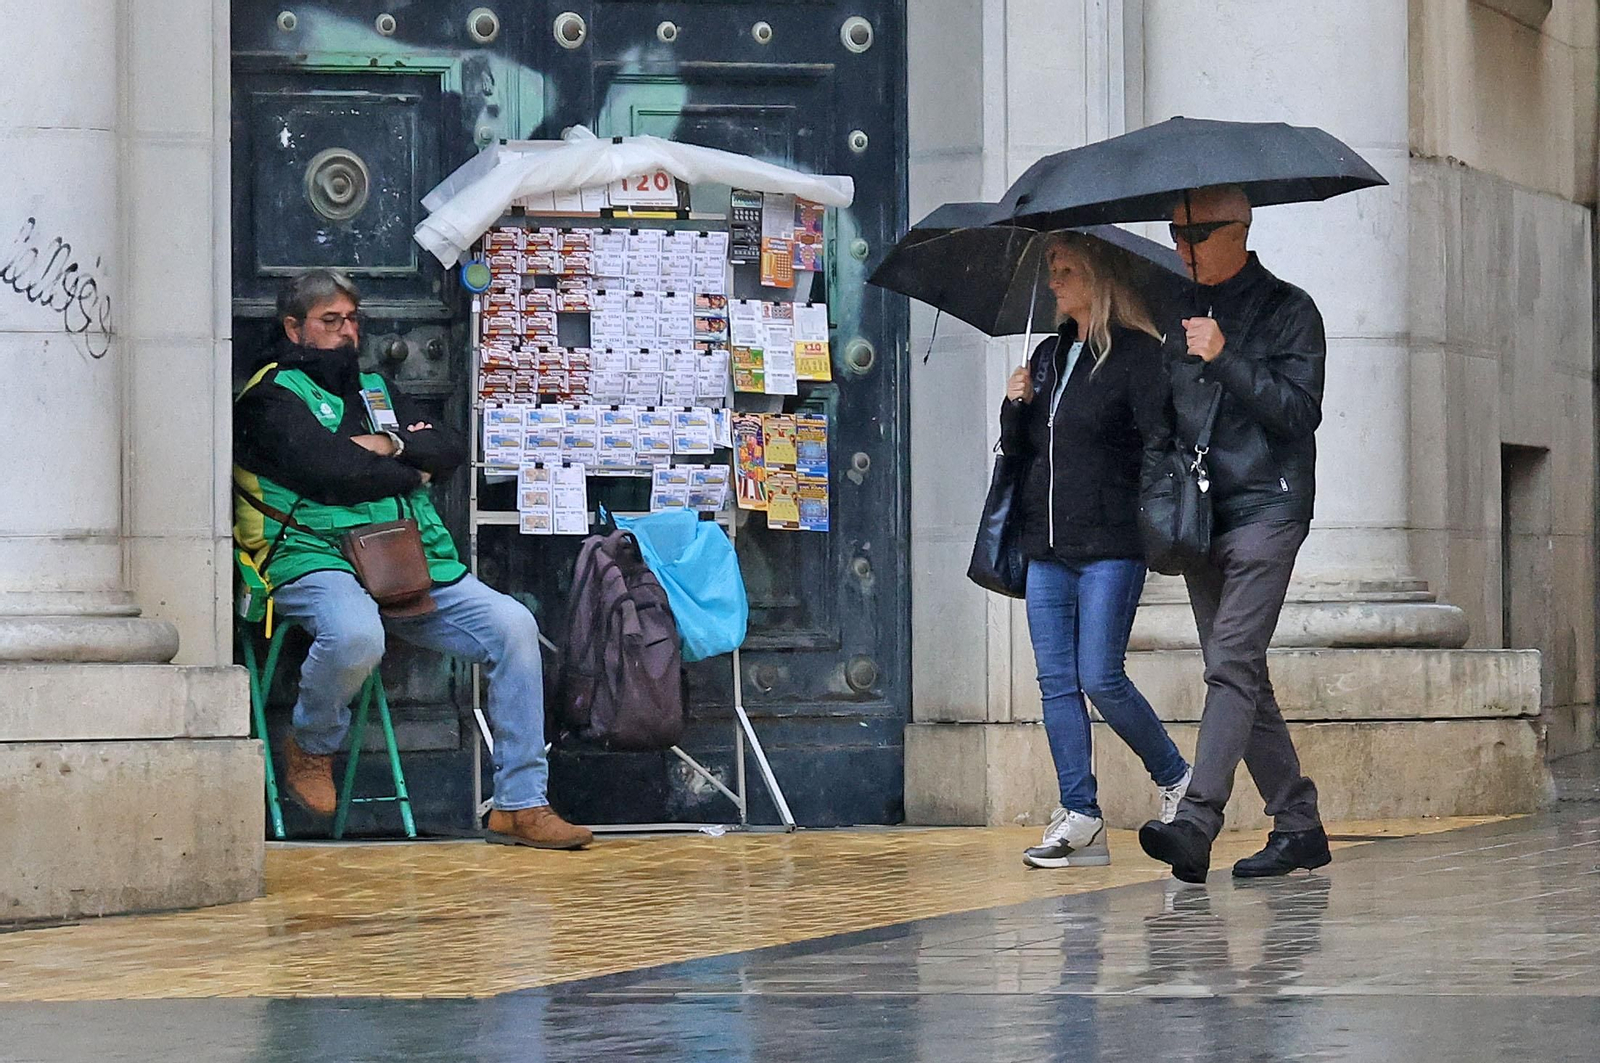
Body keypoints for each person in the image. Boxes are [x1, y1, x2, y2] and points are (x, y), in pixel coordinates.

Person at [234, 269, 592, 850]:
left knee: (514, 626)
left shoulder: (374, 389)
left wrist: (392, 446)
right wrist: (408, 464)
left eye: (353, 320)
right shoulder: (270, 398)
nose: (347, 332)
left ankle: (520, 804)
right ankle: (311, 744)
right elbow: (330, 473)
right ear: (294, 327)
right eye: (331, 321)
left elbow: (450, 446)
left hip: (406, 561)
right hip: (311, 556)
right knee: (354, 636)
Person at [1136, 185, 1329, 883]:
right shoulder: (1178, 316)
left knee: (1231, 664)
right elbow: (1166, 418)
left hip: (1269, 509)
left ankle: (1197, 819)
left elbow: (1298, 412)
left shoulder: (1291, 310)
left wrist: (1224, 358)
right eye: (1175, 233)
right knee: (1244, 675)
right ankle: (1299, 823)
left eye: (1200, 233)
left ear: (1240, 228)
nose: (1184, 248)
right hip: (1201, 518)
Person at [1000, 234, 1192, 869]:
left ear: (1099, 280)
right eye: (1052, 269)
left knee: (1099, 676)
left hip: (1110, 542)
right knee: (1056, 682)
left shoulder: (1138, 356)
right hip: (1046, 545)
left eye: (1066, 270)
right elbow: (1025, 451)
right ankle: (1079, 815)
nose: (1054, 280)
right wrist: (1015, 406)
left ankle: (1177, 779)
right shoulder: (1048, 356)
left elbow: (1158, 443)